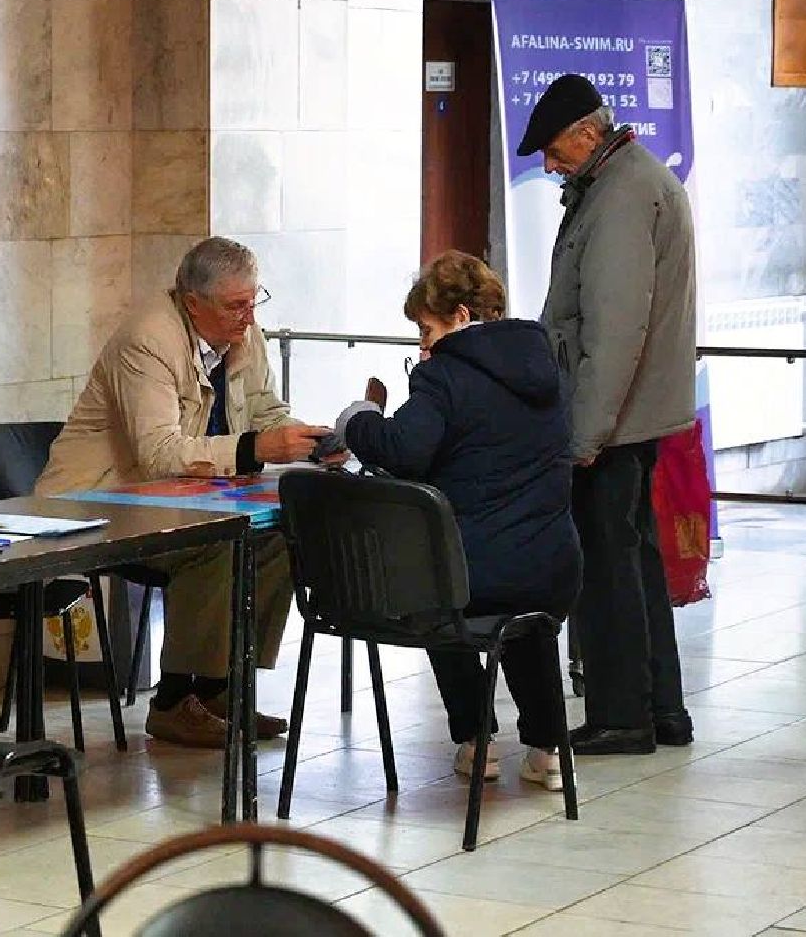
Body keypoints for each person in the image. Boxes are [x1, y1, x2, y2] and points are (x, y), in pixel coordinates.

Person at [36, 237, 337, 747]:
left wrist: (308, 441)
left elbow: (264, 411)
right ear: (192, 302)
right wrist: (257, 447)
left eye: (253, 301)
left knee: (281, 538)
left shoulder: (244, 333)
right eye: (234, 306)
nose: (247, 317)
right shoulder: (147, 339)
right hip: (99, 499)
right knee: (215, 542)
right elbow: (157, 452)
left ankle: (221, 690)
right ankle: (174, 701)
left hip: (181, 497)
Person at [336, 251, 581, 789]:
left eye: (426, 329)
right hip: (553, 564)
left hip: (474, 571)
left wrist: (359, 416)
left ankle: (477, 741)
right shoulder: (543, 367)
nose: (422, 344)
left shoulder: (443, 376)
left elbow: (403, 450)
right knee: (527, 623)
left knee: (438, 589)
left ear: (462, 317)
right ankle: (548, 750)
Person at [518, 73, 698, 756]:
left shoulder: (621, 194)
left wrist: (585, 434)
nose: (549, 162)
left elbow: (615, 330)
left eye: (555, 149)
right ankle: (661, 709)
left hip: (613, 417)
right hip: (637, 411)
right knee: (635, 558)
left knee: (605, 566)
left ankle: (622, 716)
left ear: (590, 135)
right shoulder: (623, 179)